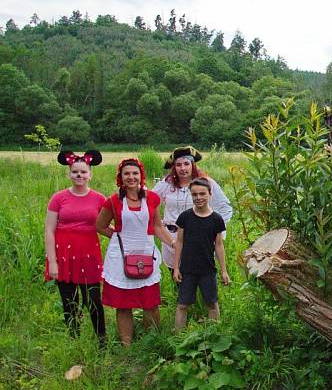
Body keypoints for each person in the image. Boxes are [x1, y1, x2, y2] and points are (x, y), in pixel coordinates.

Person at [96, 158, 173, 346]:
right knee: (123, 304)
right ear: (121, 177)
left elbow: (157, 227)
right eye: (127, 174)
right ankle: (127, 346)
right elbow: (100, 225)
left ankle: (152, 341)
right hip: (121, 257)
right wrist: (119, 237)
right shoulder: (113, 201)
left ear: (141, 176)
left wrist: (174, 244)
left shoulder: (153, 199)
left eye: (135, 173)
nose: (131, 177)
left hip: (146, 252)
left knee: (151, 302)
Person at [45, 150, 106, 344]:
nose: (79, 175)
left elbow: (104, 226)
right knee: (69, 301)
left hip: (89, 254)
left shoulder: (99, 199)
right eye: (75, 172)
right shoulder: (58, 198)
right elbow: (48, 230)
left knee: (93, 300)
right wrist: (52, 262)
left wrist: (122, 234)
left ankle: (102, 340)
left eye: (83, 172)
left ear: (90, 174)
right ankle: (75, 340)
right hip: (64, 254)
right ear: (69, 174)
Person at [153, 146, 233, 275]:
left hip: (199, 239)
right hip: (172, 239)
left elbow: (224, 208)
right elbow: (150, 203)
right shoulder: (166, 184)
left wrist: (213, 230)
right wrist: (159, 224)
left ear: (192, 165)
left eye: (186, 164)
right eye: (178, 165)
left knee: (199, 278)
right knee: (177, 280)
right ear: (174, 167)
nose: (183, 168)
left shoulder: (206, 183)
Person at [172, 178, 230, 330]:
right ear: (191, 196)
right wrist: (176, 267)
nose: (198, 197)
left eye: (202, 194)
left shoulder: (217, 219)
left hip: (208, 270)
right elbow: (179, 242)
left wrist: (224, 270)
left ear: (210, 194)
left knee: (212, 303)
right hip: (187, 269)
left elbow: (218, 245)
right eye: (195, 194)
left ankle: (213, 336)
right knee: (183, 304)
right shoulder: (185, 217)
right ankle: (179, 340)